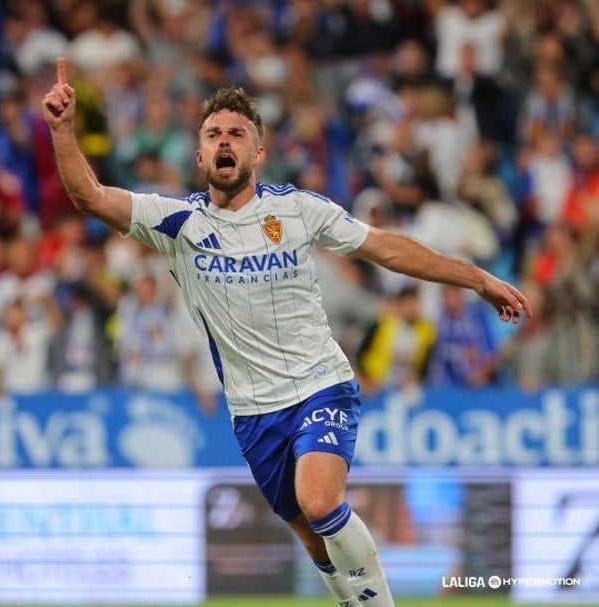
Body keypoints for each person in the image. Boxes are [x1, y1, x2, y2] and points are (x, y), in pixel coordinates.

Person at [43, 58, 531, 607]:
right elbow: (89, 196)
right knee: (311, 533)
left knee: (320, 500)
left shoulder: (298, 210)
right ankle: (353, 601)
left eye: (237, 134)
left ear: (258, 153)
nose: (224, 142)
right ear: (199, 153)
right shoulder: (176, 223)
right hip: (253, 412)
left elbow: (387, 248)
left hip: (320, 383)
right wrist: (63, 130)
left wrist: (478, 279)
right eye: (213, 134)